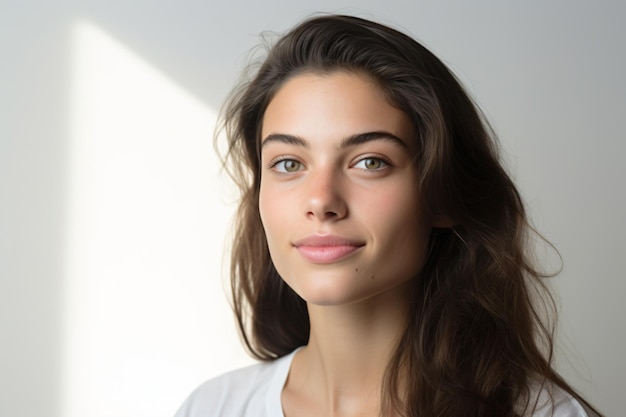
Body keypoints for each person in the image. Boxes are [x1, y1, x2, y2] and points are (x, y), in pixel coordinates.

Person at [174, 14, 603, 417]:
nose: (321, 200)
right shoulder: (212, 407)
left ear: (443, 195)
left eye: (370, 161)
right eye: (288, 163)